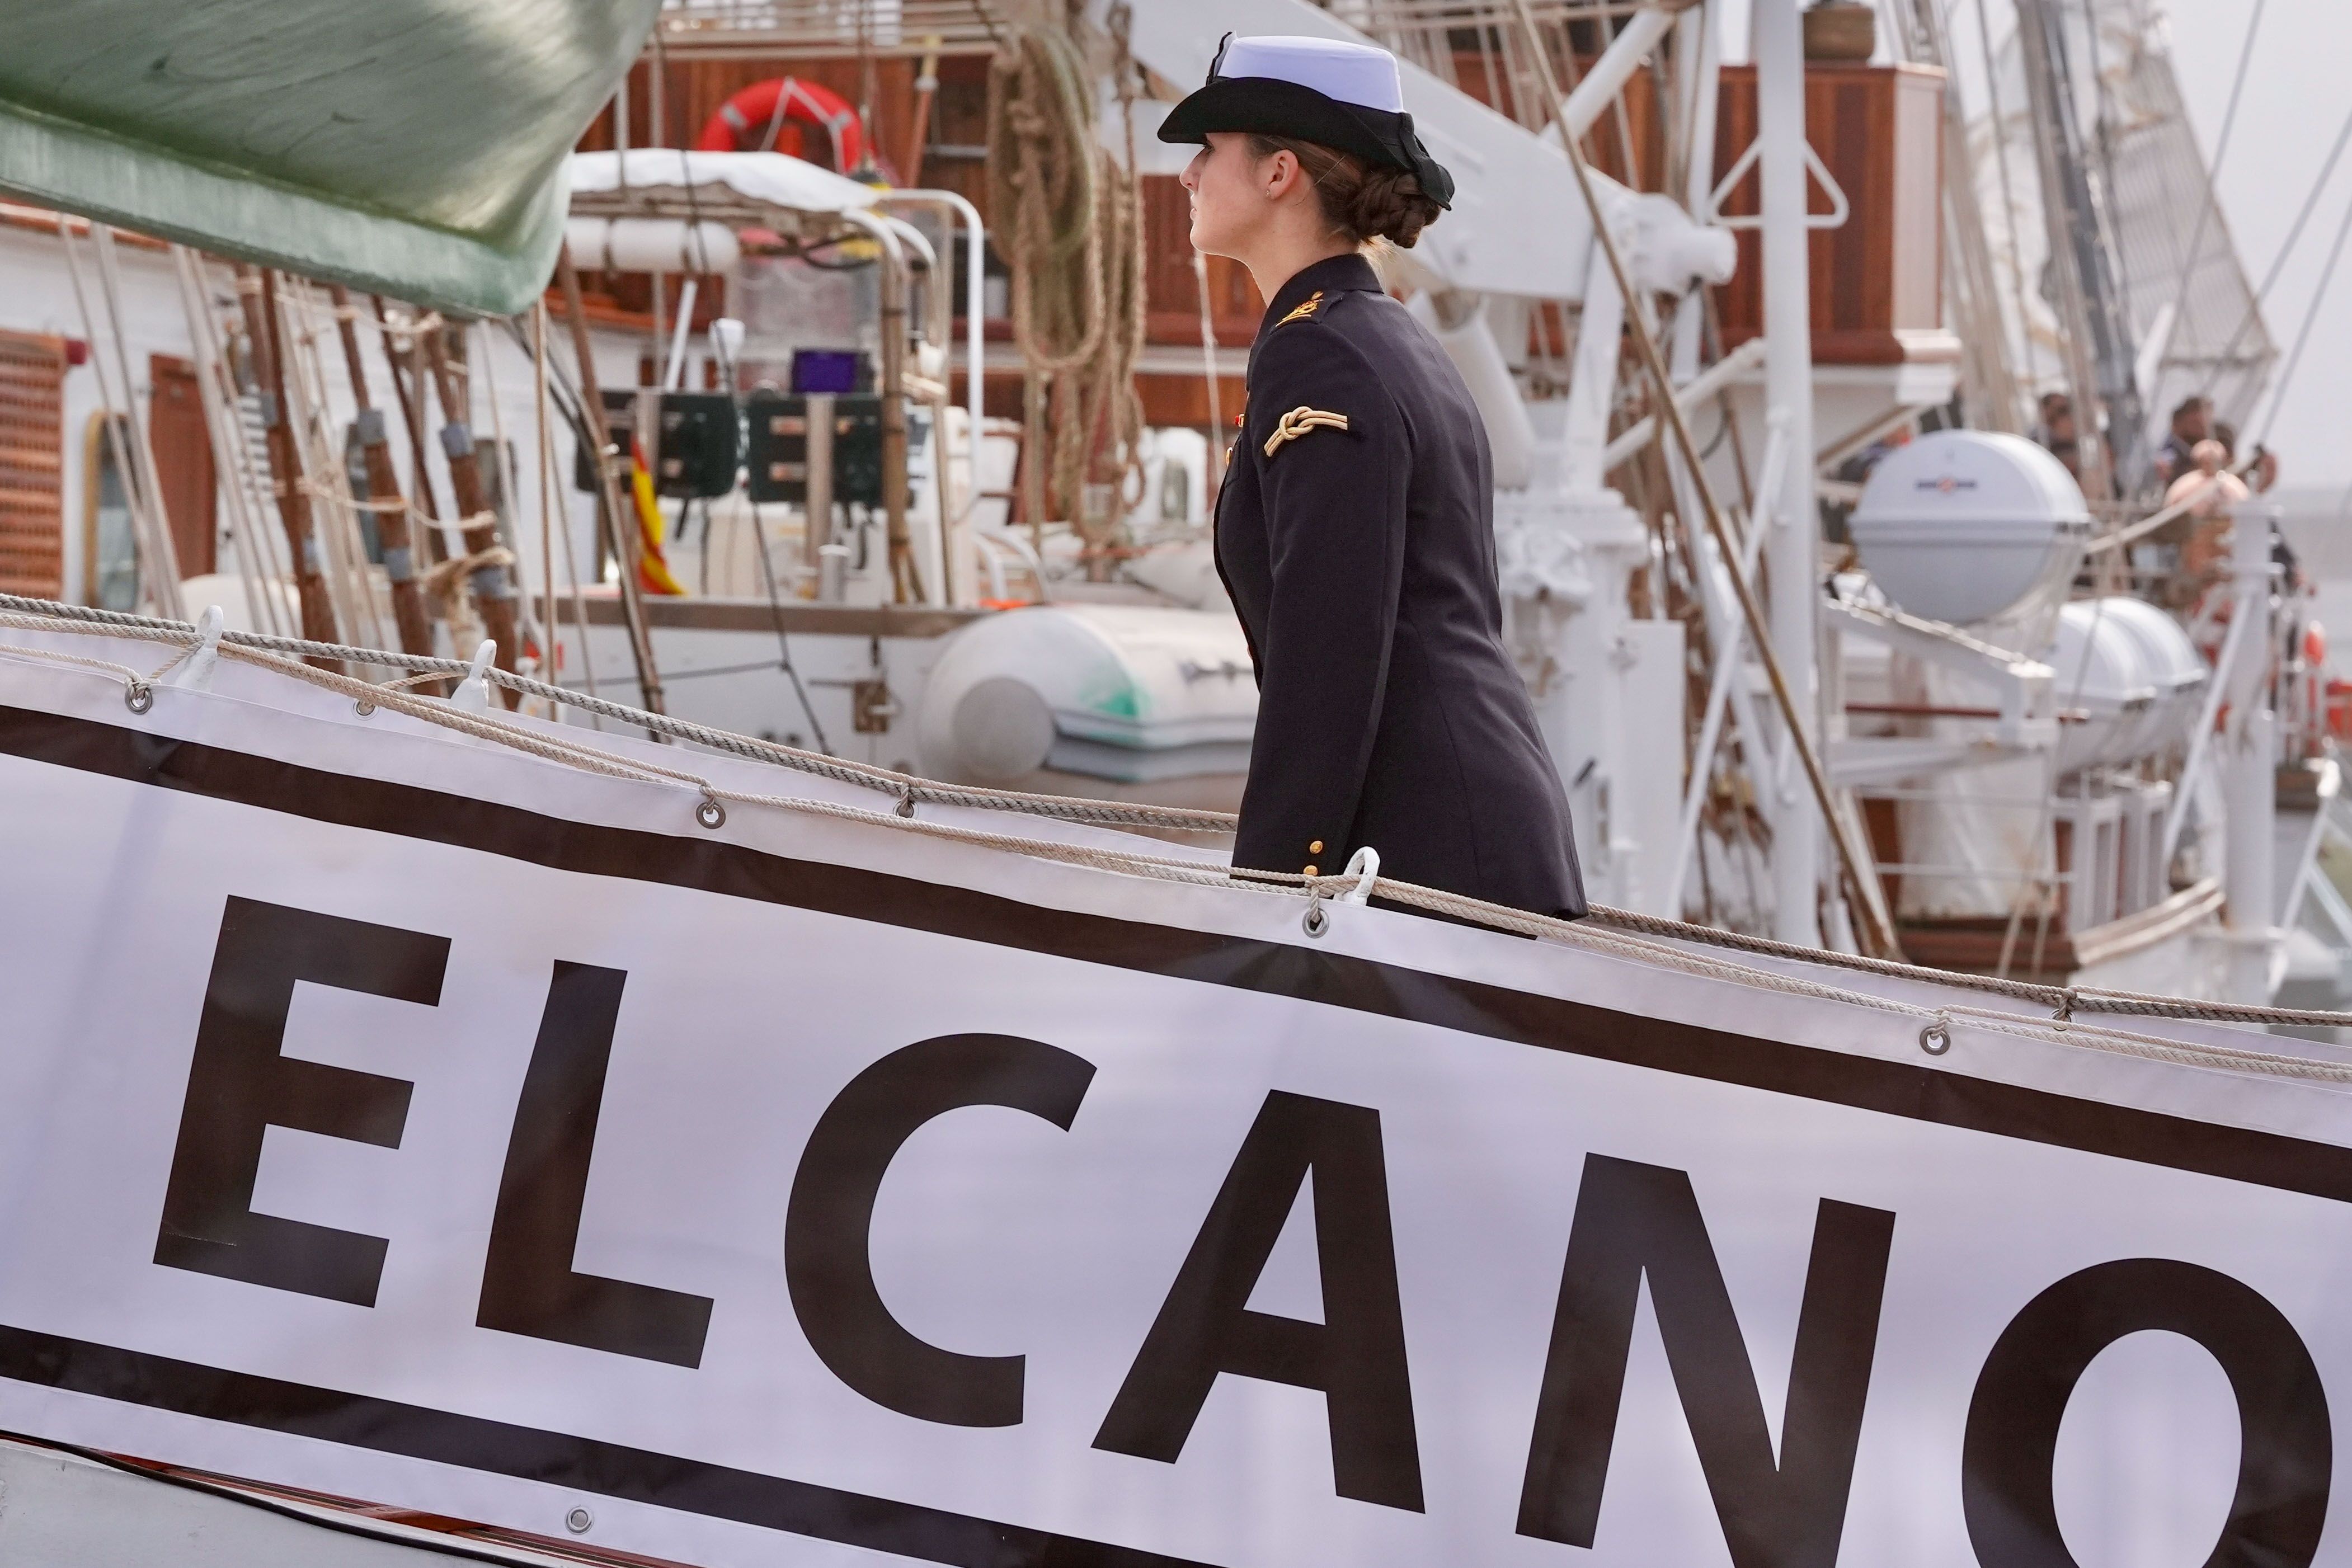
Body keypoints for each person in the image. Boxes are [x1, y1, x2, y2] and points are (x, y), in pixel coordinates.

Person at [1162, 34, 1584, 919]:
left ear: (1280, 173)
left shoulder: (1323, 356)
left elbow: (1332, 649)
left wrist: (1277, 881)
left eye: (1209, 151)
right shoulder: (1382, 336)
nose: (1187, 176)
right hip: (1451, 826)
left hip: (1421, 849)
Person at [2154, 395, 2212, 486]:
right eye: (2196, 423)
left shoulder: (2198, 449)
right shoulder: (2173, 451)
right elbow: (2165, 462)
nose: (2204, 427)